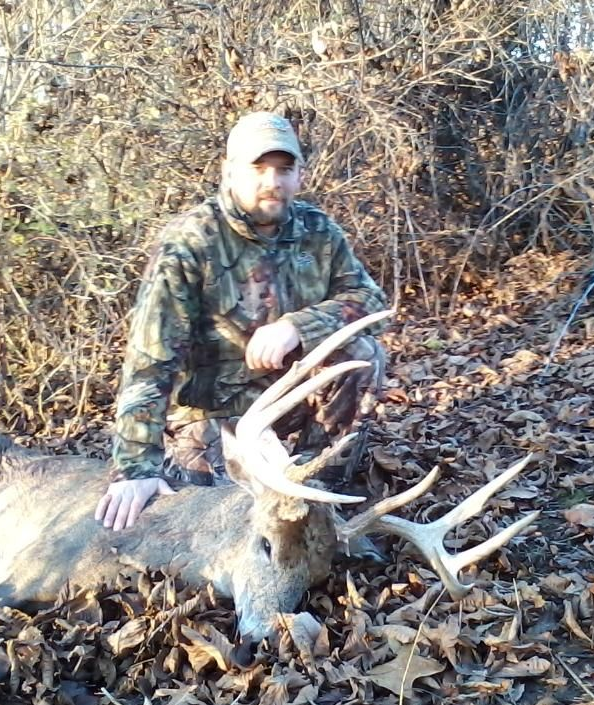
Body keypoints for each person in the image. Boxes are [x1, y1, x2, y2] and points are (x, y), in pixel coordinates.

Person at [95, 111, 389, 531]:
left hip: (286, 403)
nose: (273, 181)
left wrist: (297, 326)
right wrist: (136, 470)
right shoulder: (191, 242)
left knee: (363, 354)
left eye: (284, 169)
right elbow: (150, 363)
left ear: (299, 174)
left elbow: (371, 303)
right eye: (259, 169)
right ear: (229, 171)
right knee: (212, 521)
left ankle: (321, 487)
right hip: (213, 413)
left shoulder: (317, 231)